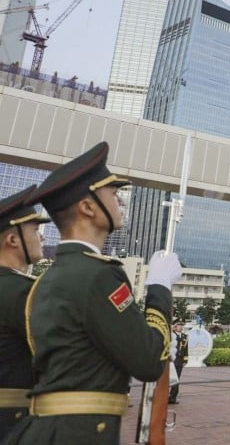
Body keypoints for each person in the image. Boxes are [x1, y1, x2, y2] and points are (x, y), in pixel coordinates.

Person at [5, 142, 181, 445]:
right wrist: (160, 287)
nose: (120, 202)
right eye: (113, 194)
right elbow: (149, 362)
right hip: (81, 433)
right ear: (87, 207)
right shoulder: (98, 274)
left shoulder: (51, 277)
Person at [0, 186, 47, 440]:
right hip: (12, 424)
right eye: (36, 230)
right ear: (12, 240)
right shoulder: (25, 293)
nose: (42, 238)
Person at [167, 319, 189, 404]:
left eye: (182, 325)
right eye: (179, 325)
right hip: (172, 359)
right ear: (175, 326)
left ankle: (172, 398)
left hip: (179, 360)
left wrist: (185, 360)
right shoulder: (171, 335)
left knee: (176, 379)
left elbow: (185, 349)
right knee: (168, 379)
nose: (181, 327)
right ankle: (164, 396)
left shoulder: (184, 336)